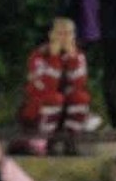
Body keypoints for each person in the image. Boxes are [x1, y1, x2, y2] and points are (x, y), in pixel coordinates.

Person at [19, 16, 93, 153]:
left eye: (68, 33)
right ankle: (44, 141)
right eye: (60, 33)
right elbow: (44, 88)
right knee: (54, 98)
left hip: (65, 106)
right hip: (38, 107)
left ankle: (71, 140)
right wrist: (53, 58)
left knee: (81, 97)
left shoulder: (78, 56)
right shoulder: (39, 56)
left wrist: (72, 60)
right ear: (51, 35)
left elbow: (79, 84)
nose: (64, 38)